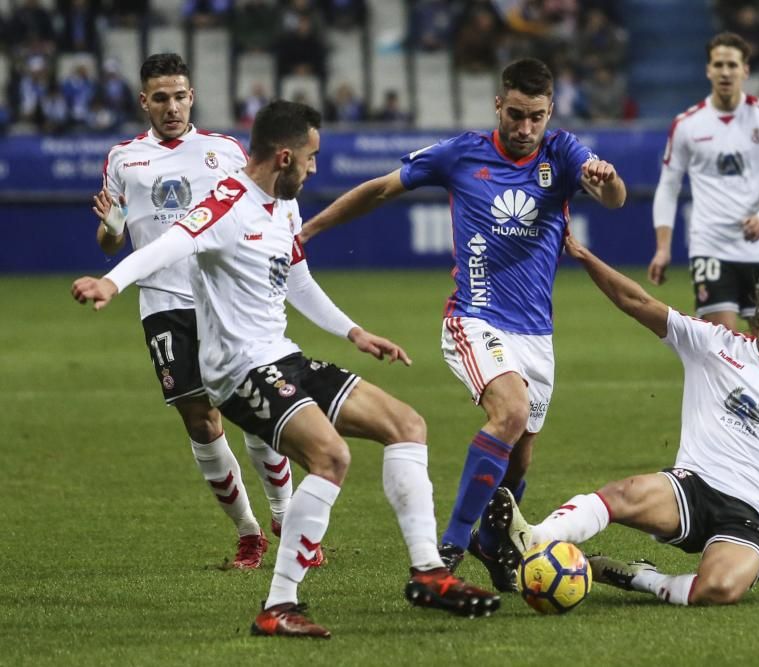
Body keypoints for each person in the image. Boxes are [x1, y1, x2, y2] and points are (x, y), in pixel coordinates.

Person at [72, 100, 501, 637]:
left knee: (407, 426)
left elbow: (296, 280)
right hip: (236, 370)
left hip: (282, 355)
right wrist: (111, 281)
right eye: (311, 157)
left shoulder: (284, 205)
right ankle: (279, 606)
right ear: (282, 156)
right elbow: (170, 245)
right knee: (331, 457)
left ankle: (429, 575)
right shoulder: (227, 204)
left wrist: (354, 332)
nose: (315, 167)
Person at [297, 57, 626, 591]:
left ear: (550, 112)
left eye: (535, 117)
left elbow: (614, 199)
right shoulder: (460, 154)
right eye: (515, 114)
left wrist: (606, 181)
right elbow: (381, 189)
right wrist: (309, 229)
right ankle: (448, 548)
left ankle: (491, 543)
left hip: (536, 335)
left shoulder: (563, 153)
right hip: (473, 318)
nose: (524, 129)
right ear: (499, 104)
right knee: (510, 412)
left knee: (518, 463)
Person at [487, 232, 759, 606]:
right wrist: (585, 256)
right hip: (692, 490)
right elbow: (638, 303)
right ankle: (532, 539)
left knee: (717, 589)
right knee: (623, 494)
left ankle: (637, 577)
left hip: (752, 515)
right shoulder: (714, 343)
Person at [94, 53, 298, 570]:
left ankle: (287, 517)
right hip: (163, 304)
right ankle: (250, 533)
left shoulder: (224, 151)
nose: (171, 107)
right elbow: (108, 242)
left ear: (192, 96)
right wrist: (112, 229)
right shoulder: (123, 158)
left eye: (180, 96)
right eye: (160, 98)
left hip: (227, 300)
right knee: (202, 422)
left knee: (258, 413)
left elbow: (262, 207)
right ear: (144, 101)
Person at [648, 32, 759, 334]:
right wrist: (662, 248)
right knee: (721, 347)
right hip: (710, 245)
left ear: (745, 70)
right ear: (708, 70)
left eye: (732, 64)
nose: (725, 72)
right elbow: (668, 187)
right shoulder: (687, 124)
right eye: (718, 64)